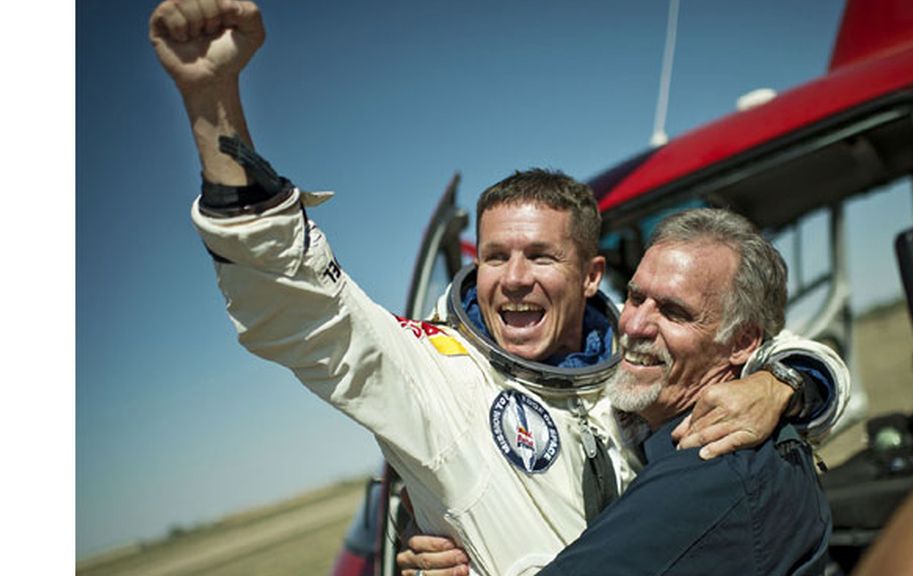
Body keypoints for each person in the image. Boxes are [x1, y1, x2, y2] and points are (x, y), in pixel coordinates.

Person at [148, 2, 848, 575]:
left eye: (540, 257)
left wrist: (787, 385)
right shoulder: (433, 375)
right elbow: (300, 305)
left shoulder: (636, 365)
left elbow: (772, 347)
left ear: (592, 276)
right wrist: (214, 104)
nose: (512, 280)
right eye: (494, 257)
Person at [537, 208, 832, 575]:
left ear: (741, 342)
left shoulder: (709, 472)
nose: (634, 324)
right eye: (634, 297)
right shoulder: (675, 435)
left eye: (674, 312)